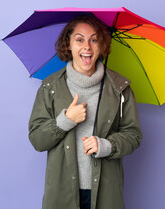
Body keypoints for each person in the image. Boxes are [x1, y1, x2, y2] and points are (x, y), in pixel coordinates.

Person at [28, 15, 142, 209]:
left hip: (106, 192)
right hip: (61, 192)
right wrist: (65, 120)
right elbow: (37, 140)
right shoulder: (50, 87)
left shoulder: (120, 89)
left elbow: (134, 135)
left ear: (101, 46)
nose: (87, 46)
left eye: (94, 39)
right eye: (79, 39)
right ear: (68, 45)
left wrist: (106, 145)